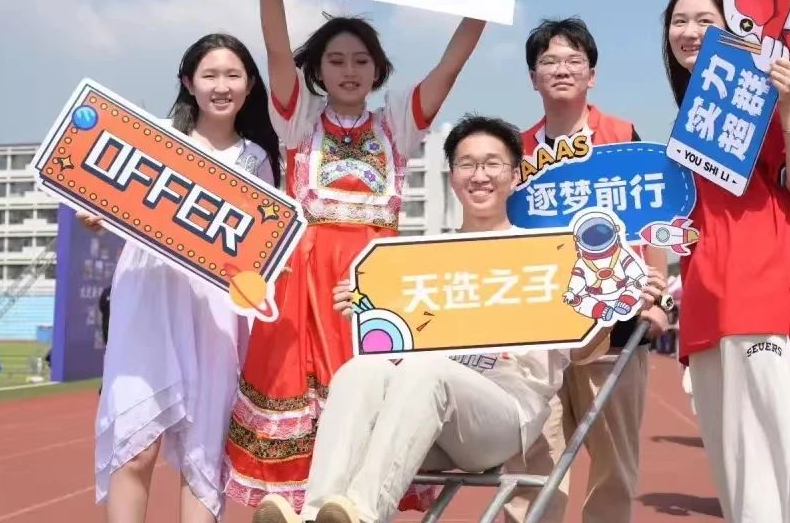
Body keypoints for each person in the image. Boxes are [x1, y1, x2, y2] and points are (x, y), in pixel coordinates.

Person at [223, 0, 531, 513]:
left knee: (376, 408)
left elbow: (450, 66)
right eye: (336, 60)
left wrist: (487, 1)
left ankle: (356, 511)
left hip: (376, 286)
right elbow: (276, 48)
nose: (348, 71)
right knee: (308, 416)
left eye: (361, 60)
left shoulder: (397, 124)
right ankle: (307, 511)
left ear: (378, 69)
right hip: (305, 283)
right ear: (318, 70)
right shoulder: (298, 120)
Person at [251, 114, 668, 523]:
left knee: (428, 372)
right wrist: (362, 311)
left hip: (502, 418)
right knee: (360, 370)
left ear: (515, 176)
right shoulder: (421, 259)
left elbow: (580, 352)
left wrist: (609, 309)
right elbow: (392, 344)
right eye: (467, 164)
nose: (479, 175)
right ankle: (315, 513)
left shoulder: (550, 254)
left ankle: (362, 516)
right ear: (452, 177)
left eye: (492, 164)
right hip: (427, 418)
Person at [85, 33, 282, 523]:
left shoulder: (257, 159)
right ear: (188, 83)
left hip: (216, 311)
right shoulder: (154, 140)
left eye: (233, 75)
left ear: (250, 85)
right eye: (209, 75)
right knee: (136, 447)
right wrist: (96, 212)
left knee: (203, 457)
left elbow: (263, 247)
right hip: (148, 294)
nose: (221, 86)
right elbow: (108, 195)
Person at [662, 0, 790, 523]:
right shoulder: (688, 125)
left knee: (770, 474)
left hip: (761, 306)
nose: (689, 31)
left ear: (733, 29)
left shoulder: (762, 103)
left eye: (704, 21)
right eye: (679, 21)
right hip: (705, 314)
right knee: (734, 476)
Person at [501, 17, 670, 523]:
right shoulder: (515, 150)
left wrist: (658, 300)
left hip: (614, 325)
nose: (562, 69)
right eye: (549, 61)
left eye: (574, 60)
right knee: (533, 460)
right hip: (538, 330)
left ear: (591, 75)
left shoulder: (622, 136)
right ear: (532, 77)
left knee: (614, 465)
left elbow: (655, 218)